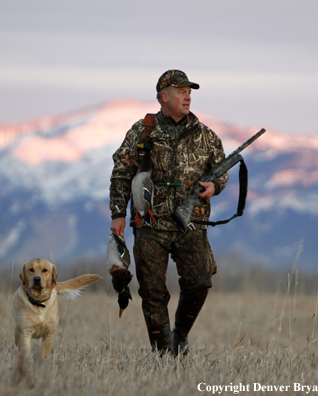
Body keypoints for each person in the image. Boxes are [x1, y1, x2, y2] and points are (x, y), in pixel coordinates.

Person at [109, 70, 228, 355]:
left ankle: (180, 335)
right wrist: (118, 213)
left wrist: (215, 186)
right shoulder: (143, 130)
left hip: (192, 223)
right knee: (152, 293)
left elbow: (220, 172)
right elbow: (121, 173)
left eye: (190, 91)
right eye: (181, 91)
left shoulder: (206, 136)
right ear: (164, 96)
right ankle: (164, 355)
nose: (188, 96)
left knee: (199, 281)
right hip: (150, 224)